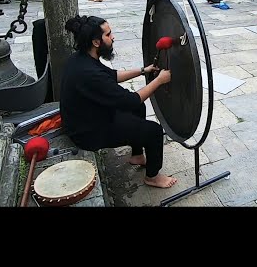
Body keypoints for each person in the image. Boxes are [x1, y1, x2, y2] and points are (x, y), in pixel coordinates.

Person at [60, 14, 176, 188]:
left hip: (90, 115)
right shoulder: (89, 74)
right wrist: (159, 80)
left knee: (139, 109)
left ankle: (137, 156)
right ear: (96, 42)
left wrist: (144, 70)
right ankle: (152, 177)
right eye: (108, 35)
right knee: (154, 131)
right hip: (87, 132)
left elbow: (112, 76)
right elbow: (130, 101)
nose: (113, 37)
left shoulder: (81, 59)